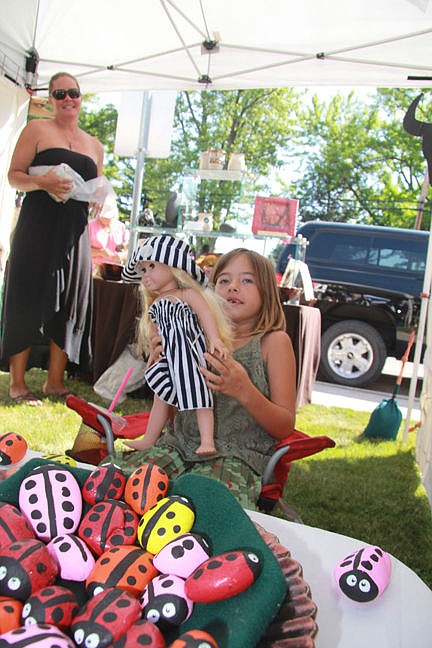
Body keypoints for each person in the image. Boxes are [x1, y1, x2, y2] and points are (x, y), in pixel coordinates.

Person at [104, 247, 297, 510]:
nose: (233, 287)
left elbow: (285, 426)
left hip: (235, 457)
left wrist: (245, 391)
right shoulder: (194, 336)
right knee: (121, 482)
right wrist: (163, 364)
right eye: (223, 280)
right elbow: (176, 409)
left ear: (267, 292)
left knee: (204, 503)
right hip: (177, 445)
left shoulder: (272, 343)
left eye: (247, 280)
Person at [1, 72, 104, 405]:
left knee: (73, 299)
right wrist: (43, 182)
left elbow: (96, 187)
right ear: (51, 98)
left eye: (73, 92)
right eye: (60, 94)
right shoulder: (36, 129)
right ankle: (18, 383)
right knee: (26, 294)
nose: (67, 99)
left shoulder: (95, 145)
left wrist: (98, 198)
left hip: (74, 229)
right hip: (37, 224)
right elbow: (14, 176)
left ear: (81, 97)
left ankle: (54, 382)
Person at [122, 235, 232, 456]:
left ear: (174, 267)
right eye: (143, 270)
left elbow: (205, 314)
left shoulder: (187, 294)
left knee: (199, 395)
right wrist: (154, 354)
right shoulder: (156, 304)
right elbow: (155, 332)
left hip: (190, 356)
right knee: (159, 396)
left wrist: (214, 338)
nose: (146, 274)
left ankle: (207, 440)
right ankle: (149, 439)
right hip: (169, 358)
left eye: (151, 266)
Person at [89, 194, 129, 269]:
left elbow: (128, 250)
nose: (106, 219)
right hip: (93, 269)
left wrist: (120, 256)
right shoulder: (90, 226)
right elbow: (83, 250)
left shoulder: (121, 227)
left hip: (114, 269)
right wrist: (100, 252)